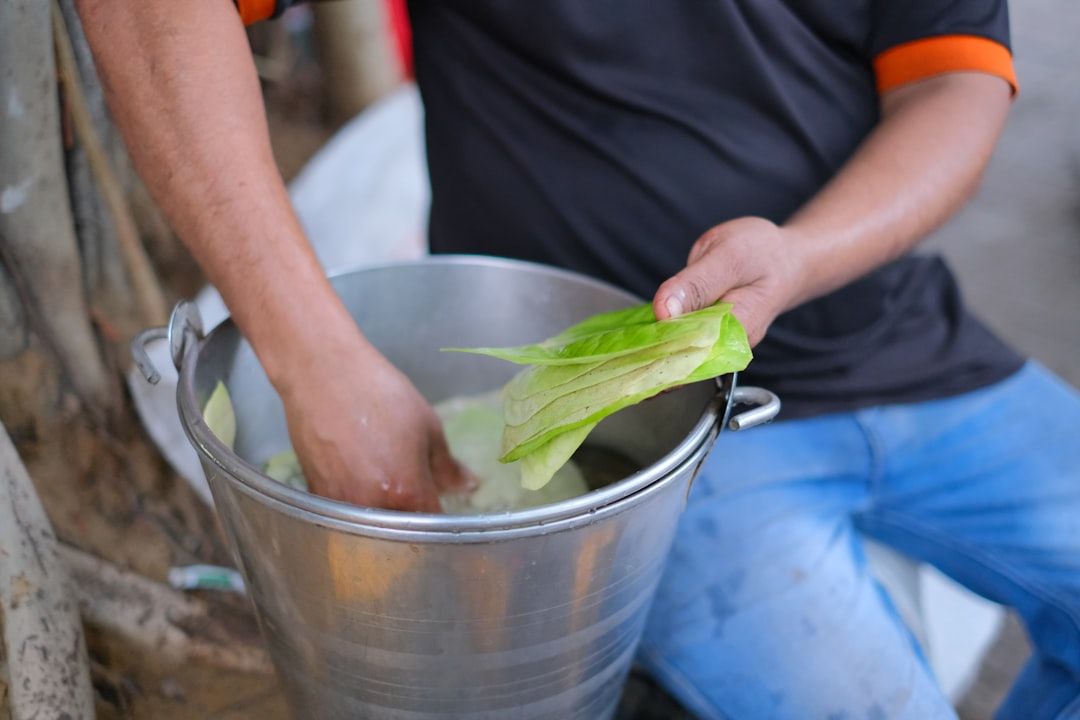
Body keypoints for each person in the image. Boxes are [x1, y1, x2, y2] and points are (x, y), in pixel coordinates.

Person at [78, 1, 1080, 717]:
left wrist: (800, 257)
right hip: (647, 433)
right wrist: (312, 357)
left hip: (914, 346)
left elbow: (953, 81)